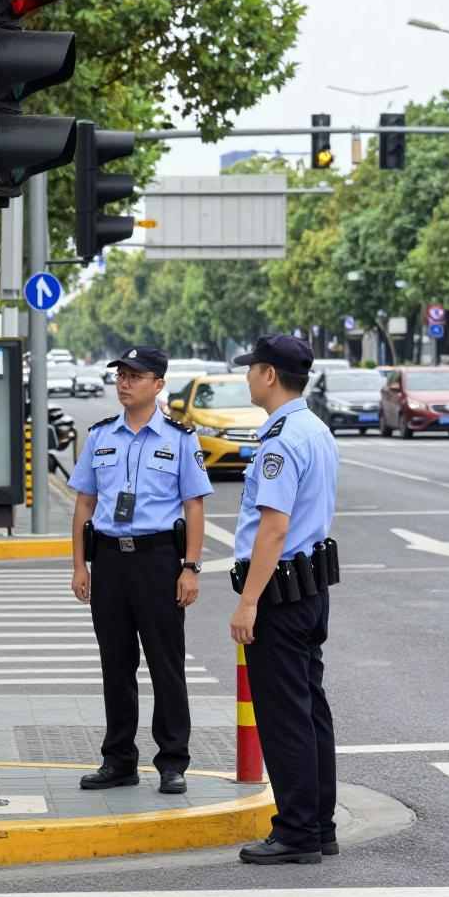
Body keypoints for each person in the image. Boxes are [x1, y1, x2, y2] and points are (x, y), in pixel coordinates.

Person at [69, 346, 213, 795]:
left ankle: (173, 761)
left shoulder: (179, 438)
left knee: (165, 664)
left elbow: (194, 507)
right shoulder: (99, 436)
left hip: (158, 561)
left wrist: (190, 567)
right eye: (121, 375)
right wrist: (80, 565)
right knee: (116, 664)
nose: (124, 383)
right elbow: (84, 503)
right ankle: (119, 760)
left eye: (135, 376)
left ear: (158, 384)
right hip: (110, 559)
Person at [227, 335, 340, 865]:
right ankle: (319, 823)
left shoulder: (279, 440)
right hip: (310, 588)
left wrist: (248, 601)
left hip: (279, 593)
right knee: (311, 708)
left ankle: (296, 832)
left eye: (252, 368)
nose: (247, 376)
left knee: (285, 716)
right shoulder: (314, 428)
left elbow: (273, 527)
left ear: (270, 375)